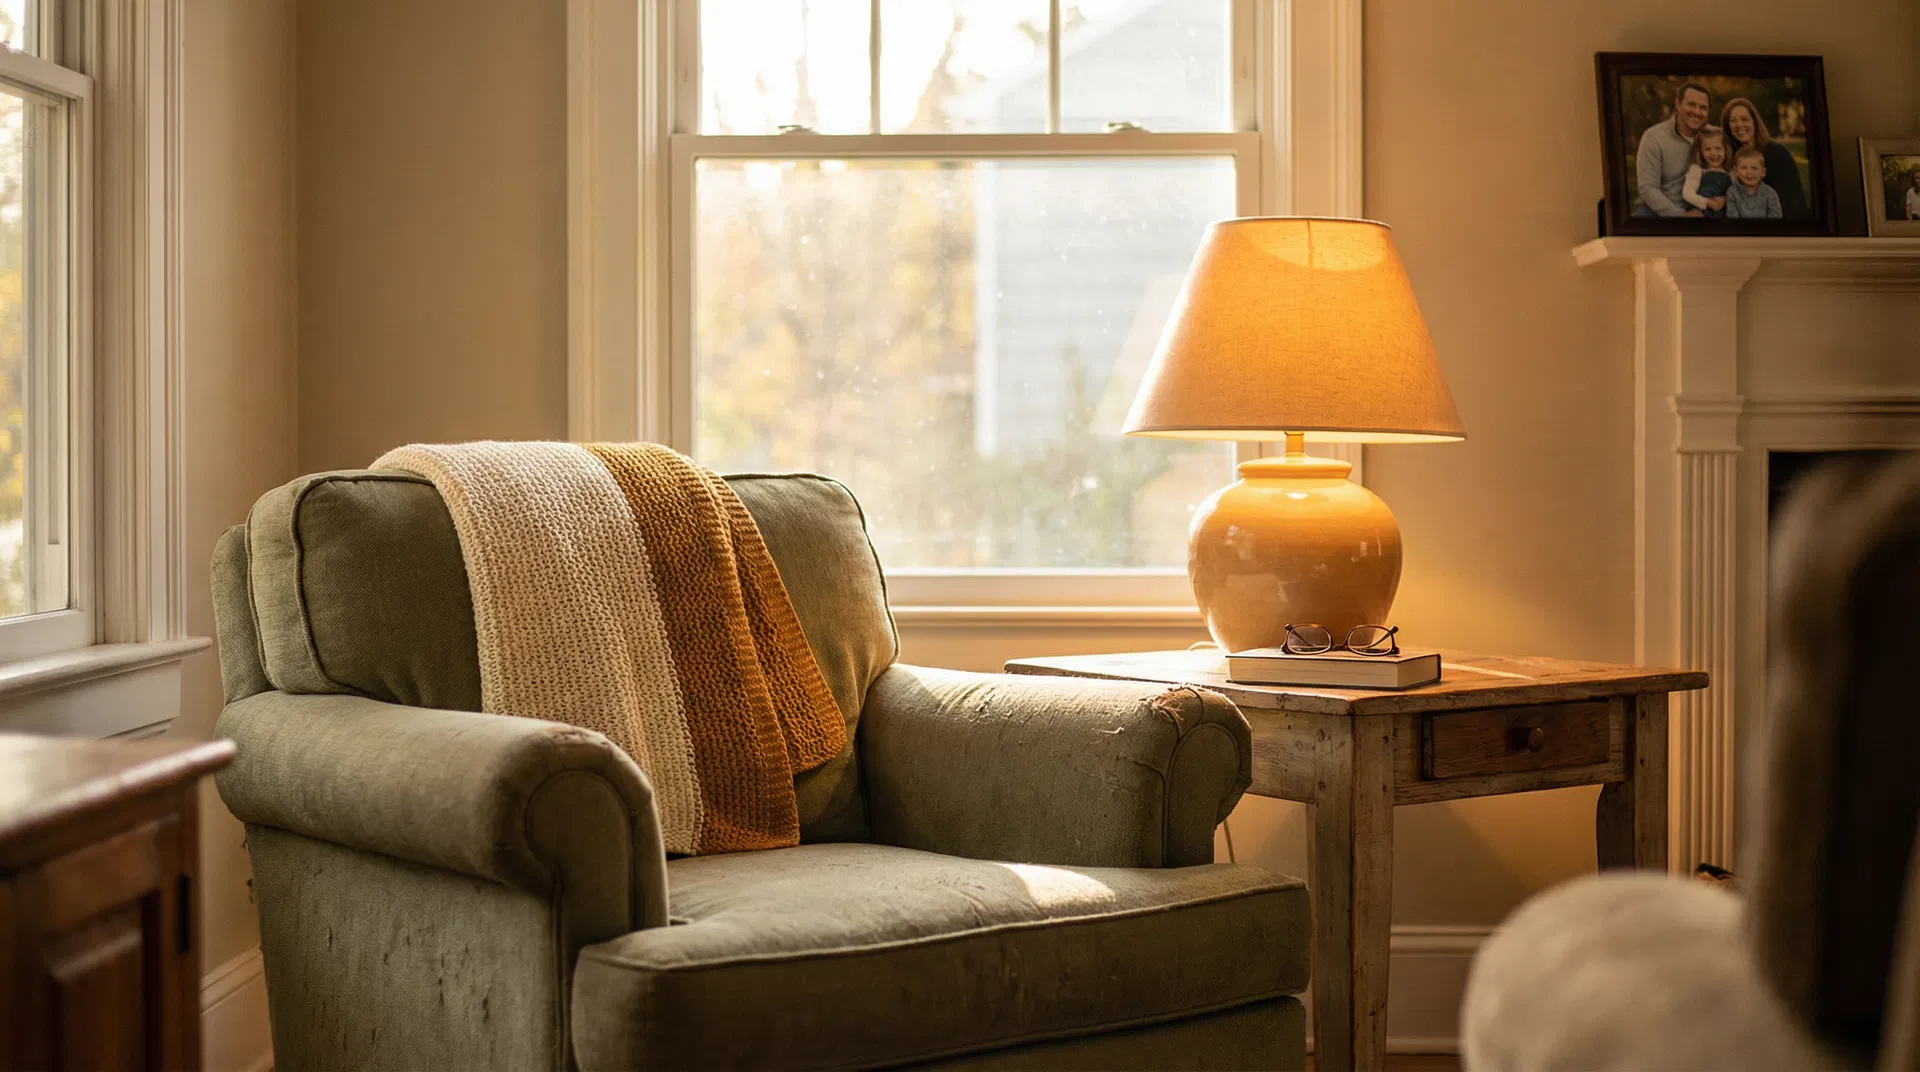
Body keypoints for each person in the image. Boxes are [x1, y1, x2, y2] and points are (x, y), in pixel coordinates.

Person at [1720, 97, 1809, 220]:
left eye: (1745, 119)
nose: (1739, 125)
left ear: (1754, 122)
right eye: (1733, 121)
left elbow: (1793, 203)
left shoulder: (1777, 153)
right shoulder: (1727, 156)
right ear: (1727, 126)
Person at [1635, 82, 1711, 217]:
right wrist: (1681, 216)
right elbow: (1647, 189)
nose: (1697, 112)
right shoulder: (1654, 137)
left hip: (1703, 207)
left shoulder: (1714, 136)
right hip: (1660, 210)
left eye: (1703, 107)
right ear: (1678, 104)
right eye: (1691, 104)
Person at [1682, 126, 1732, 217]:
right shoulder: (1697, 169)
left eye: (1718, 148)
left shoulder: (1731, 173)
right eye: (1708, 149)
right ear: (1700, 151)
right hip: (1700, 211)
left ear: (1725, 149)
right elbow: (1687, 193)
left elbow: (1738, 193)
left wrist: (1725, 200)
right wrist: (1708, 202)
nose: (1713, 153)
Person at [1724, 146, 1783, 218]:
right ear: (1736, 171)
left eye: (1754, 168)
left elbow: (1776, 217)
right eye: (1744, 168)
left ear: (1763, 172)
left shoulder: (1770, 193)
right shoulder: (1732, 192)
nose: (1749, 172)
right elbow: (1732, 217)